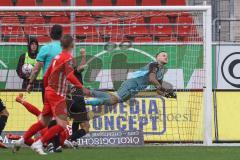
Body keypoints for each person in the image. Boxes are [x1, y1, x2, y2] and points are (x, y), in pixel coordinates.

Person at [18, 35, 86, 155]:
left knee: (43, 121)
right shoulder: (68, 58)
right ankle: (39, 143)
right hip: (57, 94)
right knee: (62, 124)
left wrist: (47, 88)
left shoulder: (56, 58)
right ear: (72, 45)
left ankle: (21, 140)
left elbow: (46, 75)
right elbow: (70, 76)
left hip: (49, 91)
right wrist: (82, 87)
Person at [85, 51, 176, 107]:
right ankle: (86, 99)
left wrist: (166, 94)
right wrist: (162, 87)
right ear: (157, 57)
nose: (166, 57)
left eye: (167, 56)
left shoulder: (160, 73)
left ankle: (88, 96)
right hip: (131, 84)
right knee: (113, 99)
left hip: (133, 91)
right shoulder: (154, 64)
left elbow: (158, 90)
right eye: (163, 55)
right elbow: (151, 78)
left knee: (111, 100)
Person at [26, 24, 63, 101]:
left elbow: (36, 69)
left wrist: (30, 83)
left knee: (48, 109)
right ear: (61, 35)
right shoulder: (65, 49)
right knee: (60, 110)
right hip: (62, 84)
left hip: (48, 84)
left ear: (50, 34)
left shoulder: (45, 48)